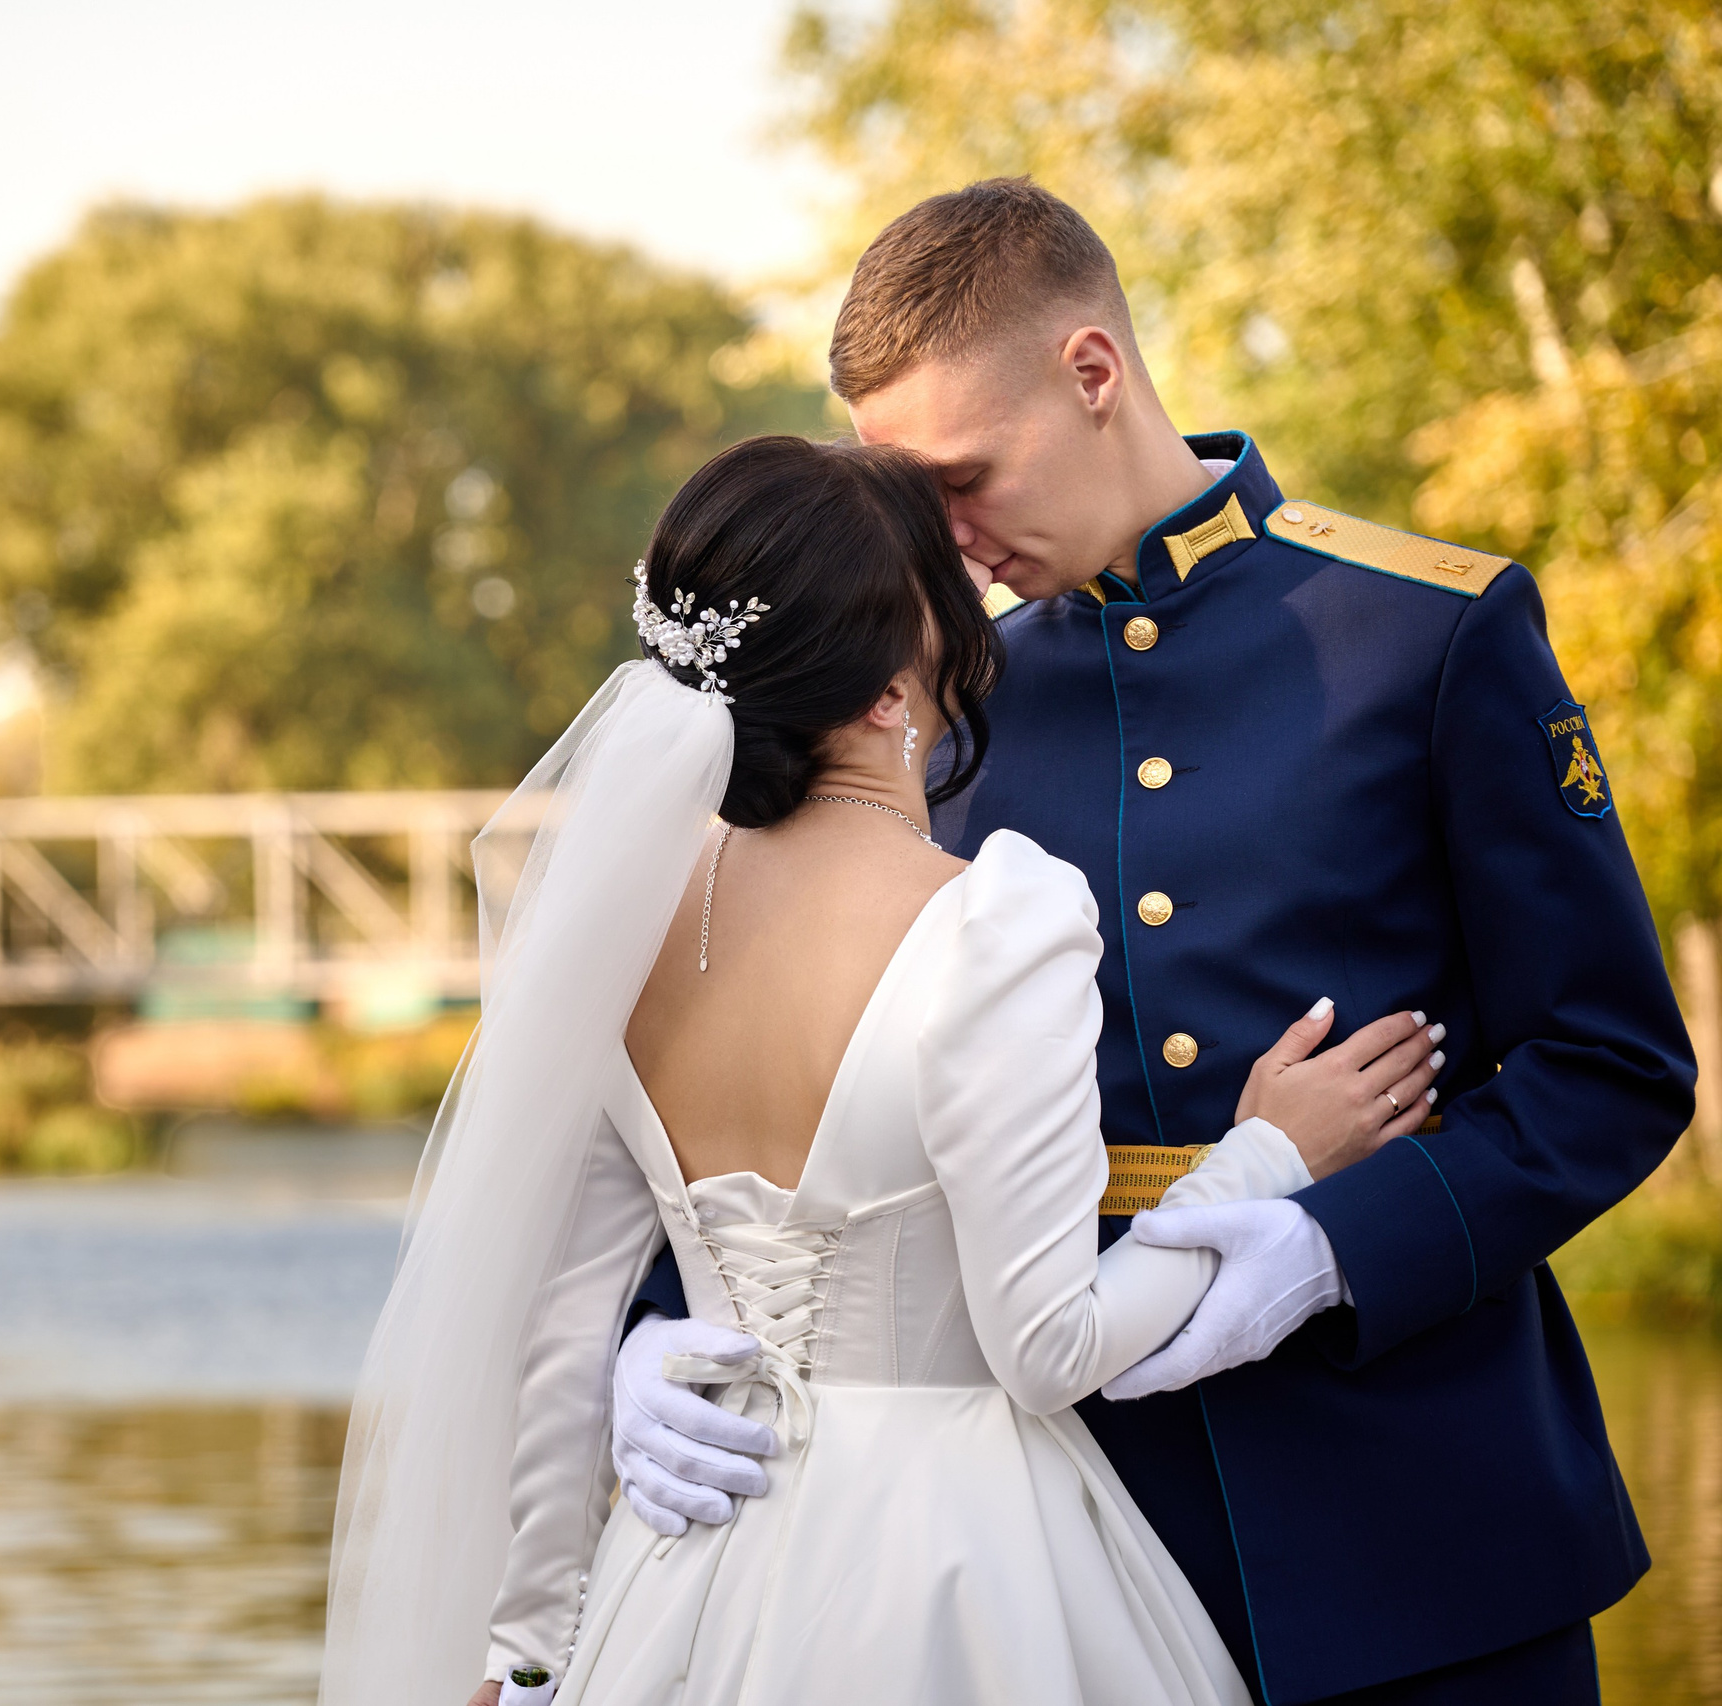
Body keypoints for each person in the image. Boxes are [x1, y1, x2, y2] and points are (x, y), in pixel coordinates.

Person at [608, 180, 1696, 1705]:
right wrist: (659, 1328)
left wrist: (1332, 1245)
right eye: (911, 503)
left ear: (1094, 372)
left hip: (1422, 1516)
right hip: (1057, 1550)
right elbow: (788, 1062)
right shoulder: (925, 701)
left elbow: (1611, 1064)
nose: (945, 543)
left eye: (964, 480)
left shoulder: (1426, 632)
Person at [316, 434, 1439, 1706]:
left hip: (683, 1564)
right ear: (888, 688)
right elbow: (1052, 1344)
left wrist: (525, 1658)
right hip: (951, 1564)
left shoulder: (613, 921)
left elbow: (566, 1339)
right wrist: (1263, 1158)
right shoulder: (996, 918)